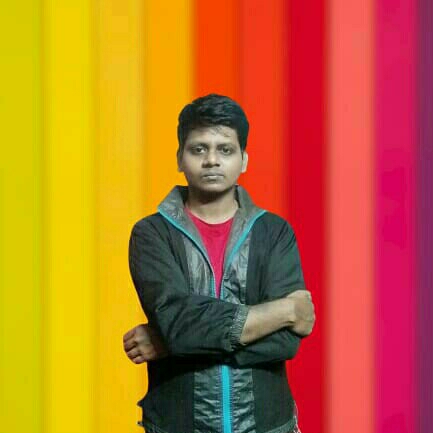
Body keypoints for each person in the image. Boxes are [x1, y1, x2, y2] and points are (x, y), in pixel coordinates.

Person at [124, 94, 315, 433]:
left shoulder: (274, 233)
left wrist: (172, 344)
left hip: (269, 426)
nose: (211, 160)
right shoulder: (152, 234)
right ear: (179, 158)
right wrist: (285, 311)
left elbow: (287, 342)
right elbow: (179, 324)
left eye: (225, 150)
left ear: (244, 160)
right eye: (199, 149)